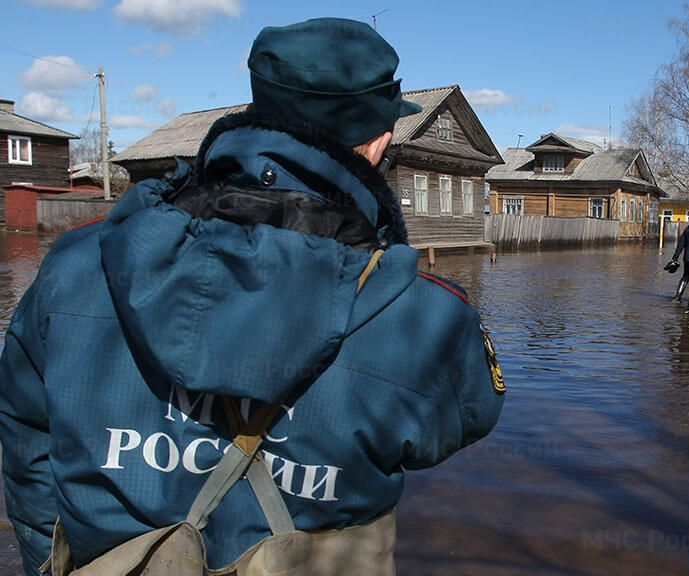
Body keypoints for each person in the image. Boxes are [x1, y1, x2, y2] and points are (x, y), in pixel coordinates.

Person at [0, 18, 504, 575]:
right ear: (379, 142)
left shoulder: (79, 264)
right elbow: (461, 421)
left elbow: (27, 447)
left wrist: (49, 563)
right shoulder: (425, 317)